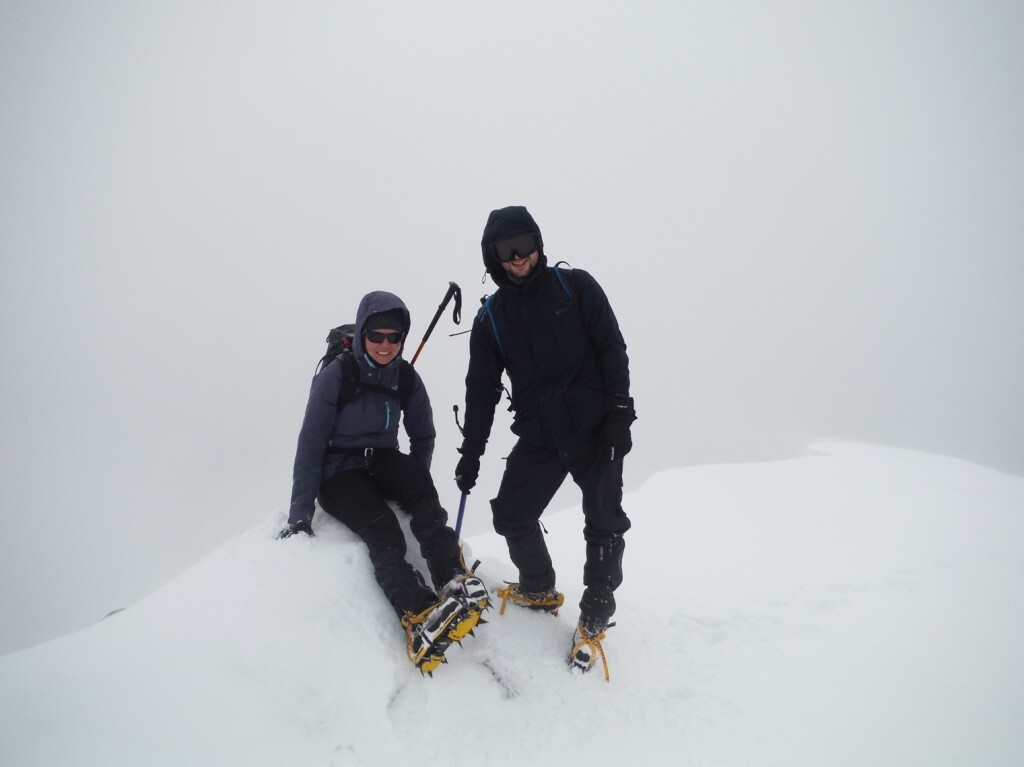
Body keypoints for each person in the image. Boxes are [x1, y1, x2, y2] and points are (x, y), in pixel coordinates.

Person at [454, 206, 635, 676]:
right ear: (492, 258)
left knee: (603, 519)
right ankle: (538, 584)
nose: (518, 258)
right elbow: (481, 391)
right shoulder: (491, 318)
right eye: (506, 251)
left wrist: (620, 414)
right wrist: (471, 452)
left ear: (538, 243)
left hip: (595, 426)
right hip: (542, 433)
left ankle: (595, 613)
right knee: (510, 512)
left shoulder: (574, 288)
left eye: (525, 246)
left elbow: (612, 347)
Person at [281, 290, 487, 675]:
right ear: (361, 335)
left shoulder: (405, 376)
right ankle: (417, 614)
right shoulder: (337, 376)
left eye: (394, 337)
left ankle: (453, 578)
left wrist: (413, 483)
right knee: (384, 530)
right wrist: (299, 515)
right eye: (376, 336)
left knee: (424, 495)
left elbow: (423, 434)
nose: (385, 344)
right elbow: (309, 447)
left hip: (383, 461)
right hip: (339, 472)